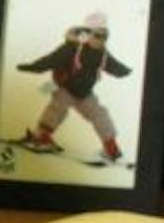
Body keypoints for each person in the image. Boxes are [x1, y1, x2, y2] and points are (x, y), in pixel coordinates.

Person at [13, 15, 131, 162]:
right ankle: (42, 136)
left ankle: (111, 146)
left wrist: (124, 71)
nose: (100, 40)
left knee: (100, 114)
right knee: (57, 108)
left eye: (104, 37)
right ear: (87, 34)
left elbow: (114, 66)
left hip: (85, 93)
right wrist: (33, 67)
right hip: (66, 87)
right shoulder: (72, 48)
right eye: (97, 35)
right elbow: (51, 59)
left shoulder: (103, 54)